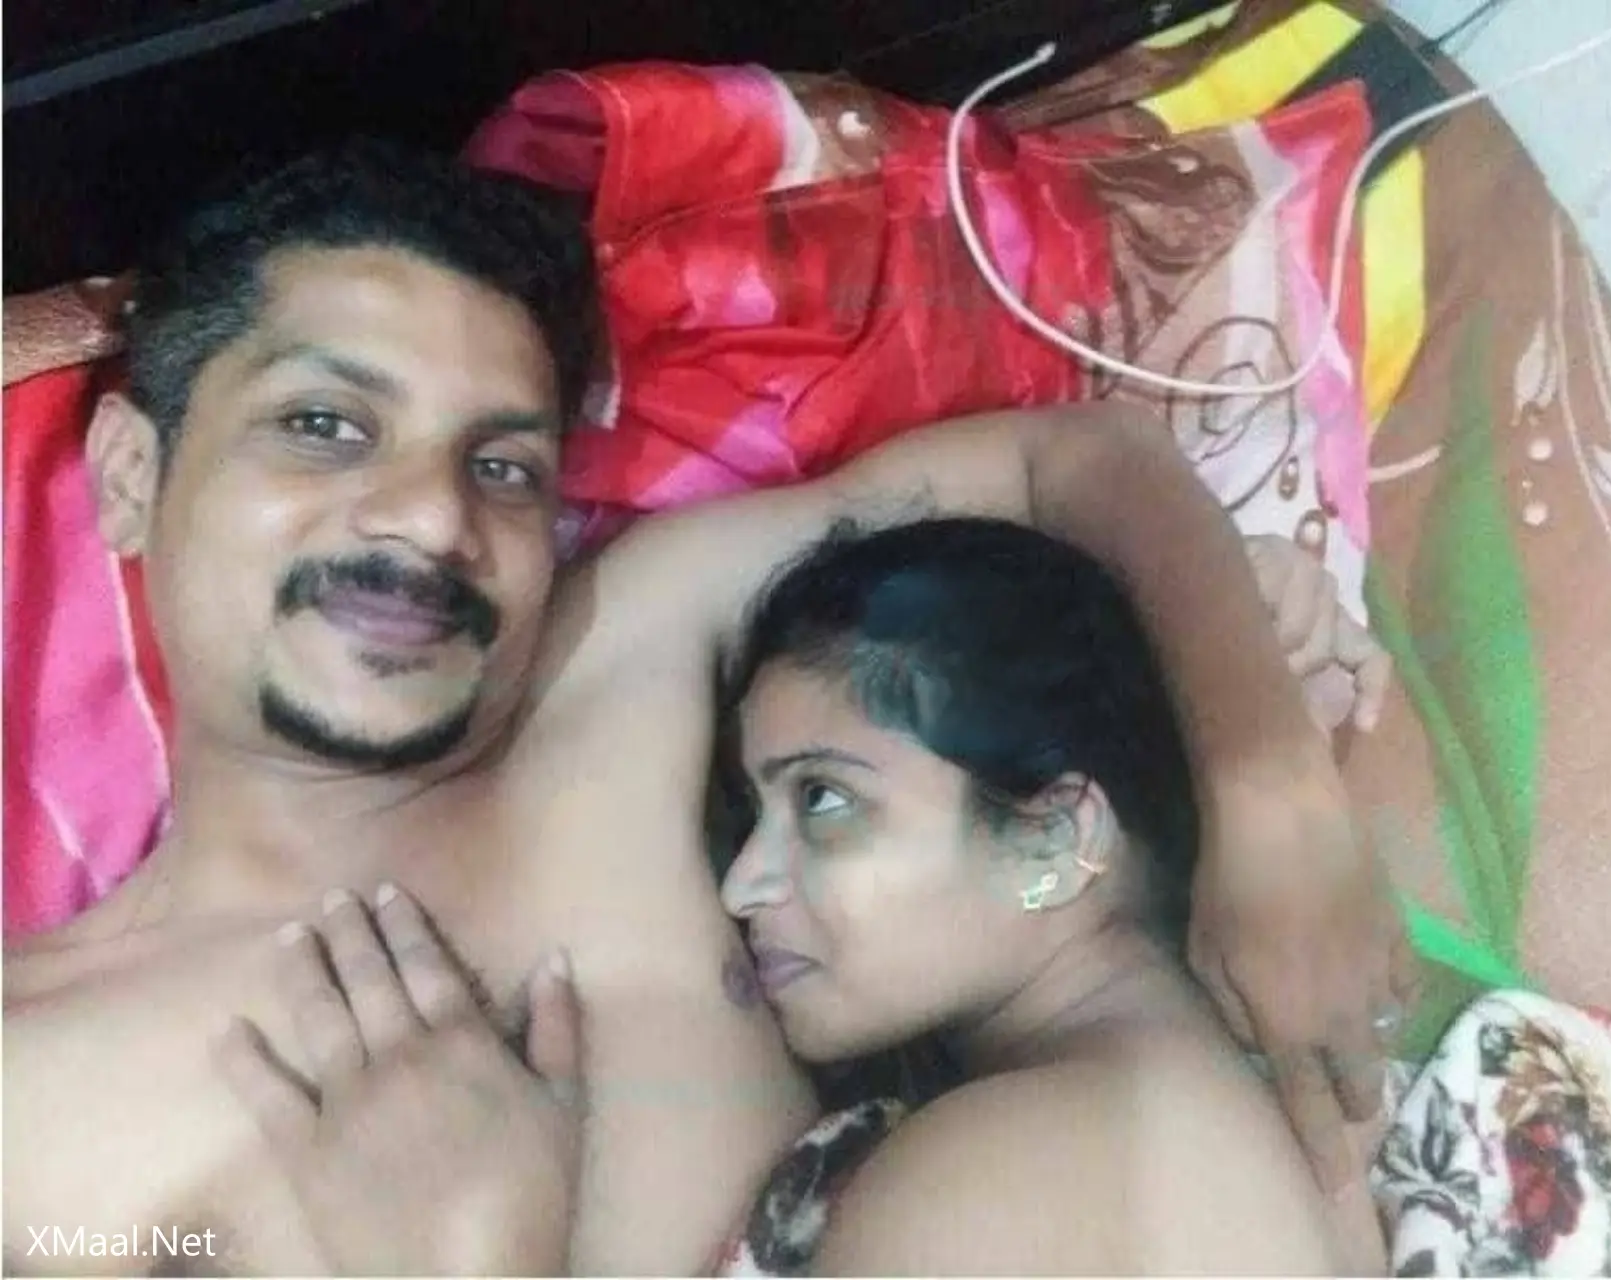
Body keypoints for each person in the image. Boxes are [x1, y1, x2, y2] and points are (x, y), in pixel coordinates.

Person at [3, 137, 1404, 1275]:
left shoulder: (629, 659)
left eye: (502, 466)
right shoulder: (33, 1089)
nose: (429, 518)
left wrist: (1267, 786)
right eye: (324, 426)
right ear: (130, 475)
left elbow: (1070, 465)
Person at [713, 517, 1388, 1274]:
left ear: (1054, 840)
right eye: (751, 813)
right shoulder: (1294, 1148)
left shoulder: (987, 1181)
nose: (741, 885)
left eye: (824, 800)